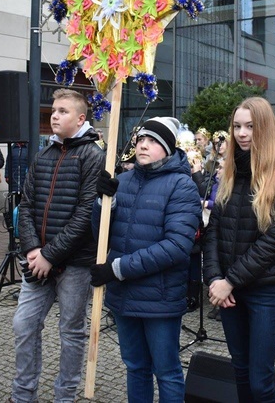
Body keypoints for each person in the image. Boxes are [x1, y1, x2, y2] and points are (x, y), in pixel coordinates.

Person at [90, 116, 201, 402]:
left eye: (152, 141)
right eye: (141, 139)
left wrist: (117, 269)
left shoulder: (182, 186)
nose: (143, 145)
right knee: (135, 367)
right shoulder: (123, 181)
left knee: (166, 370)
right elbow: (100, 235)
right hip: (124, 296)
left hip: (159, 297)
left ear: (167, 148)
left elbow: (176, 246)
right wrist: (104, 203)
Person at [203, 97, 275, 402]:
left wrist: (228, 281)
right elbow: (213, 232)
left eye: (250, 126)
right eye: (237, 126)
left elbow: (274, 242)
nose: (242, 133)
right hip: (228, 291)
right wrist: (214, 278)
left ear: (264, 128)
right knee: (241, 374)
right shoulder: (230, 172)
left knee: (261, 384)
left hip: (264, 291)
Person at [11, 89, 105, 403]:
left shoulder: (93, 155)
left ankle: (65, 396)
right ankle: (23, 395)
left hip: (75, 263)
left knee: (71, 332)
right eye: (53, 110)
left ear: (81, 118)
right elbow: (25, 206)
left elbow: (85, 212)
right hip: (37, 258)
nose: (54, 115)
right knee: (24, 325)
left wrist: (50, 254)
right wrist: (32, 250)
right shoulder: (44, 154)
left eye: (63, 111)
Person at [4, 142, 28, 206]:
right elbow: (8, 162)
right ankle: (16, 213)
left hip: (25, 176)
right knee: (17, 196)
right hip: (15, 177)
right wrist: (7, 175)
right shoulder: (12, 148)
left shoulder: (28, 148)